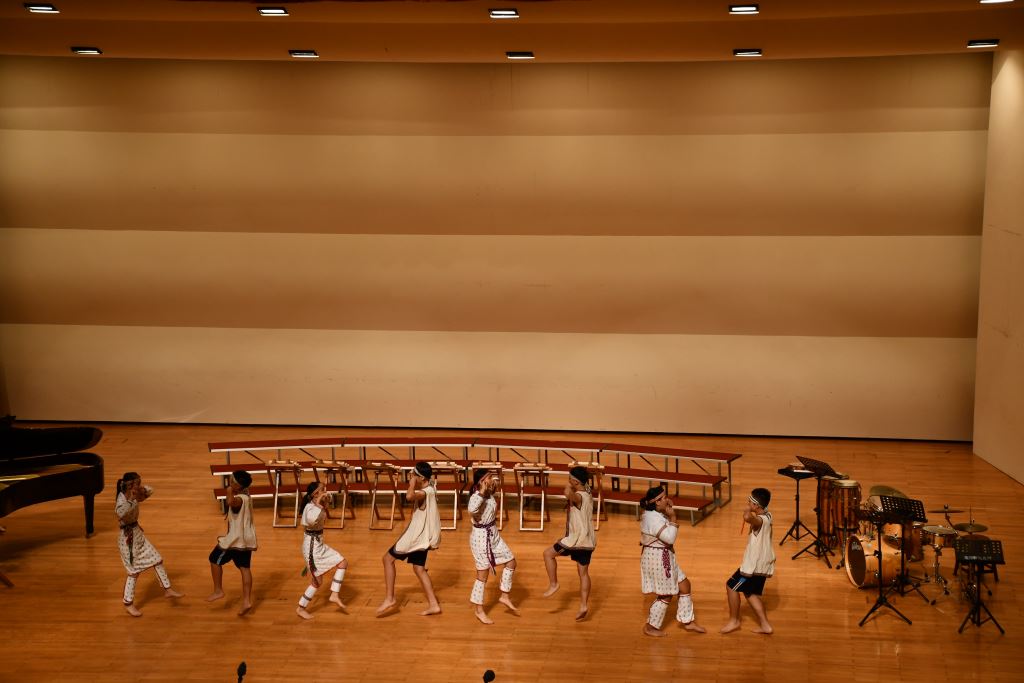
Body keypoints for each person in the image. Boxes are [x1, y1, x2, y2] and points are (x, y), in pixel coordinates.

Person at [376, 461, 442, 616]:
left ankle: (390, 598)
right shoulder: (430, 488)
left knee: (387, 559)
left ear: (422, 478)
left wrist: (412, 484)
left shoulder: (425, 492)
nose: (411, 476)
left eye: (414, 474)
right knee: (419, 569)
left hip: (417, 538)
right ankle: (434, 604)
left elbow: (409, 496)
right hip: (422, 538)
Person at [638, 485, 705, 636]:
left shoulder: (655, 513)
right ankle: (650, 627)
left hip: (665, 557)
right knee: (666, 595)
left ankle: (687, 622)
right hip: (657, 560)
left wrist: (667, 512)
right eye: (664, 498)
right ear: (657, 502)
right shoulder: (652, 519)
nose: (667, 499)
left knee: (685, 586)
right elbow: (669, 538)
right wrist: (673, 518)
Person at [114, 472, 183, 617]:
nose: (140, 485)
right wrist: (131, 499)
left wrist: (140, 490)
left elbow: (151, 490)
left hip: (138, 534)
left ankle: (167, 589)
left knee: (157, 560)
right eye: (137, 483)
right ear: (130, 485)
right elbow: (120, 513)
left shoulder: (135, 495)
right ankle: (128, 603)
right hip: (127, 540)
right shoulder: (122, 499)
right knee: (133, 572)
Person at [542, 465, 596, 621]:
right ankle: (583, 605)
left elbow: (567, 493)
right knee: (583, 573)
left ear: (575, 481)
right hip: (588, 540)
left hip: (576, 540)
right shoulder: (588, 491)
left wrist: (569, 483)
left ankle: (554, 584)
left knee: (548, 554)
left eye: (570, 478)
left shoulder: (578, 496)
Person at [467, 467, 518, 624]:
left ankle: (504, 596)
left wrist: (490, 488)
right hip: (481, 539)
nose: (492, 479)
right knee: (482, 576)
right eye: (489, 477)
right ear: (482, 481)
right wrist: (483, 491)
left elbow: (492, 496)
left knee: (511, 561)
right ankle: (478, 610)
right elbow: (471, 509)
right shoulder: (476, 496)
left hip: (494, 535)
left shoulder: (488, 493)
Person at [721, 487, 775, 635]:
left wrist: (747, 510)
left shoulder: (759, 521)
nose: (748, 503)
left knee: (731, 586)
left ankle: (734, 621)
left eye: (750, 502)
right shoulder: (768, 515)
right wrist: (751, 508)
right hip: (763, 565)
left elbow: (748, 518)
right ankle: (765, 626)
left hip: (753, 567)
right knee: (749, 592)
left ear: (756, 505)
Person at [207, 470, 258, 616]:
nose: (229, 483)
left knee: (214, 559)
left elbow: (230, 502)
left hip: (234, 540)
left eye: (231, 481)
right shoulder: (247, 497)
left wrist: (229, 490)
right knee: (245, 568)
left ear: (237, 485)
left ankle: (218, 590)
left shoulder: (240, 499)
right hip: (245, 541)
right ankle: (246, 601)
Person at [296, 481, 348, 619]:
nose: (325, 491)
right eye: (322, 489)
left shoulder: (318, 503)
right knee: (317, 582)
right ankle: (301, 608)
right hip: (312, 547)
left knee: (342, 562)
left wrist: (324, 498)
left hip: (319, 543)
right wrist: (319, 501)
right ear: (315, 494)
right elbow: (311, 521)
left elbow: (328, 500)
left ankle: (334, 594)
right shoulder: (310, 508)